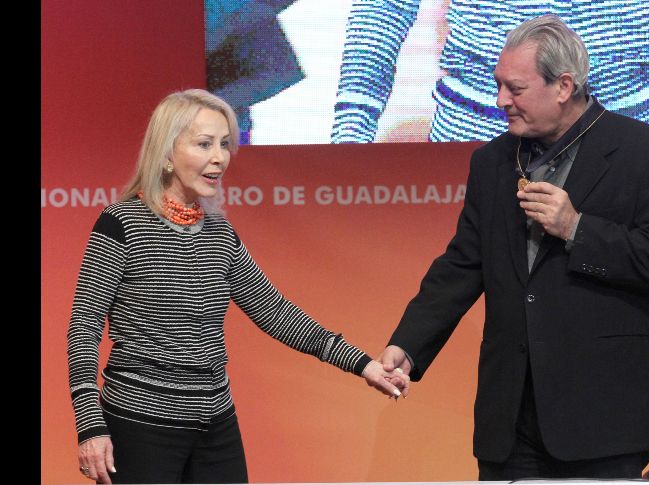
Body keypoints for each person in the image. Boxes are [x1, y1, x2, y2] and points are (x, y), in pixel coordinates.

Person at [377, 15, 649, 481]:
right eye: (499, 86)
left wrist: (576, 228)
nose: (501, 100)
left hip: (602, 417)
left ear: (564, 85)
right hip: (510, 417)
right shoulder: (492, 162)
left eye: (516, 89)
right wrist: (409, 343)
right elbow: (463, 265)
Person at [67, 89, 408, 484]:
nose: (220, 157)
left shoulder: (220, 234)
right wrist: (90, 426)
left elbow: (277, 313)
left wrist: (363, 364)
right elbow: (84, 328)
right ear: (165, 153)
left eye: (225, 144)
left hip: (216, 424)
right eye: (204, 143)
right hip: (140, 424)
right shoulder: (120, 224)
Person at [331, 0, 649, 143]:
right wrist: (350, 133)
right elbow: (385, 7)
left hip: (647, 123)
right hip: (480, 131)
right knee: (473, 305)